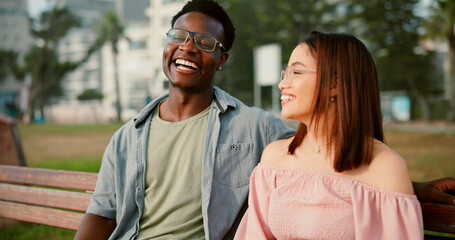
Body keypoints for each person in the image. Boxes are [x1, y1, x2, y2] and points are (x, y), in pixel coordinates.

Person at [75, 1, 455, 239]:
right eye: (179, 35)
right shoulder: (128, 136)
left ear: (222, 59)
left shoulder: (255, 127)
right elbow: (102, 214)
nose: (188, 46)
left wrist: (406, 184)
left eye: (205, 42)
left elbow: (328, 149)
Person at [234, 31, 424, 240]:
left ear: (334, 84)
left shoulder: (385, 167)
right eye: (284, 73)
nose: (282, 84)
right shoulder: (274, 159)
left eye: (295, 72)